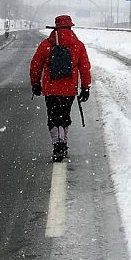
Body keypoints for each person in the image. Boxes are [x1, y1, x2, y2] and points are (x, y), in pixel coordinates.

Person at [30, 15, 91, 162]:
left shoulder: (46, 45)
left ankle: (56, 145)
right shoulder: (78, 45)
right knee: (65, 116)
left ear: (56, 26)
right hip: (69, 89)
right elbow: (84, 67)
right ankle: (63, 143)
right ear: (70, 27)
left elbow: (35, 65)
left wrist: (36, 84)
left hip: (51, 89)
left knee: (53, 117)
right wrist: (85, 87)